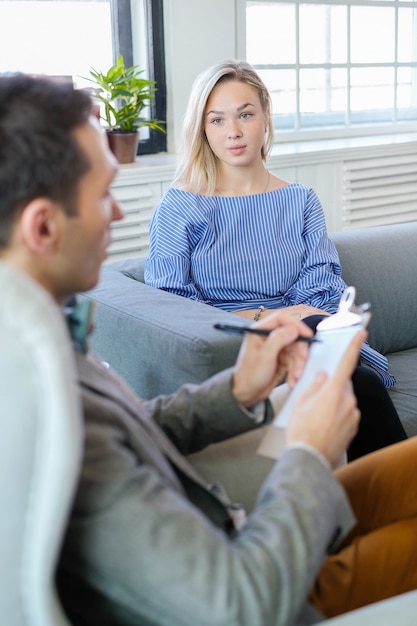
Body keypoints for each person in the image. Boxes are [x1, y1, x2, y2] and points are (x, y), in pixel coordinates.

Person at [1, 72, 417, 626]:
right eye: (105, 194)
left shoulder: (45, 340)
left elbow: (129, 426)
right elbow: (240, 604)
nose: (120, 214)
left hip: (238, 534)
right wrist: (307, 454)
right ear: (43, 226)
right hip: (268, 579)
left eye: (245, 114)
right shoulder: (33, 391)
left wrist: (236, 391)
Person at [144, 59, 407, 461]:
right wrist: (269, 316)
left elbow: (322, 289)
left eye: (245, 115)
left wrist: (300, 318)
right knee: (354, 381)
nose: (233, 131)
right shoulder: (180, 207)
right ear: (202, 129)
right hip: (234, 345)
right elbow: (173, 308)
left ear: (265, 115)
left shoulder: (300, 200)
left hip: (310, 330)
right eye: (216, 120)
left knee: (349, 377)